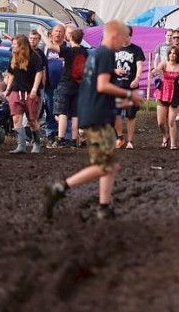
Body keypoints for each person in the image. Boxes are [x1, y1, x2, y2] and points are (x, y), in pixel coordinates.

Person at [44, 21, 142, 221]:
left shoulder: (96, 55)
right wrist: (129, 95)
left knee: (109, 165)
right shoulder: (105, 54)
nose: (125, 40)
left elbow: (96, 89)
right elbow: (102, 85)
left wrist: (120, 102)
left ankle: (104, 206)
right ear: (114, 34)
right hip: (96, 117)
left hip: (95, 114)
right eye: (123, 36)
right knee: (105, 165)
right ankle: (60, 188)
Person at [46, 28, 88, 148]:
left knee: (62, 112)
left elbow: (50, 45)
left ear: (70, 38)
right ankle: (74, 140)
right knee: (75, 114)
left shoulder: (69, 51)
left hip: (65, 84)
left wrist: (42, 33)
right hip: (78, 85)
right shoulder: (84, 52)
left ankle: (61, 139)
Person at [4, 35, 44, 155]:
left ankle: (36, 142)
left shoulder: (34, 56)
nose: (12, 46)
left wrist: (34, 89)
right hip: (16, 91)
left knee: (32, 120)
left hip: (30, 92)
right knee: (16, 118)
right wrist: (7, 89)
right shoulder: (14, 57)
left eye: (15, 44)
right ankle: (20, 145)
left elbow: (39, 73)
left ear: (21, 45)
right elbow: (11, 74)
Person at [113, 26, 145, 150]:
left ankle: (130, 140)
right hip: (116, 86)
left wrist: (137, 78)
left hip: (131, 87)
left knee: (131, 115)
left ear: (131, 36)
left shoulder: (136, 50)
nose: (125, 39)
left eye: (127, 36)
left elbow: (139, 66)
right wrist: (115, 70)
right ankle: (120, 138)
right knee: (116, 114)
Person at [152, 47, 179, 150]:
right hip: (163, 92)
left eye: (174, 53)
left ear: (178, 55)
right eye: (170, 53)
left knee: (171, 121)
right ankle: (165, 135)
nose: (172, 55)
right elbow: (156, 70)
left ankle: (173, 143)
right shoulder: (164, 63)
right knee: (160, 122)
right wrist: (154, 72)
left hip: (175, 94)